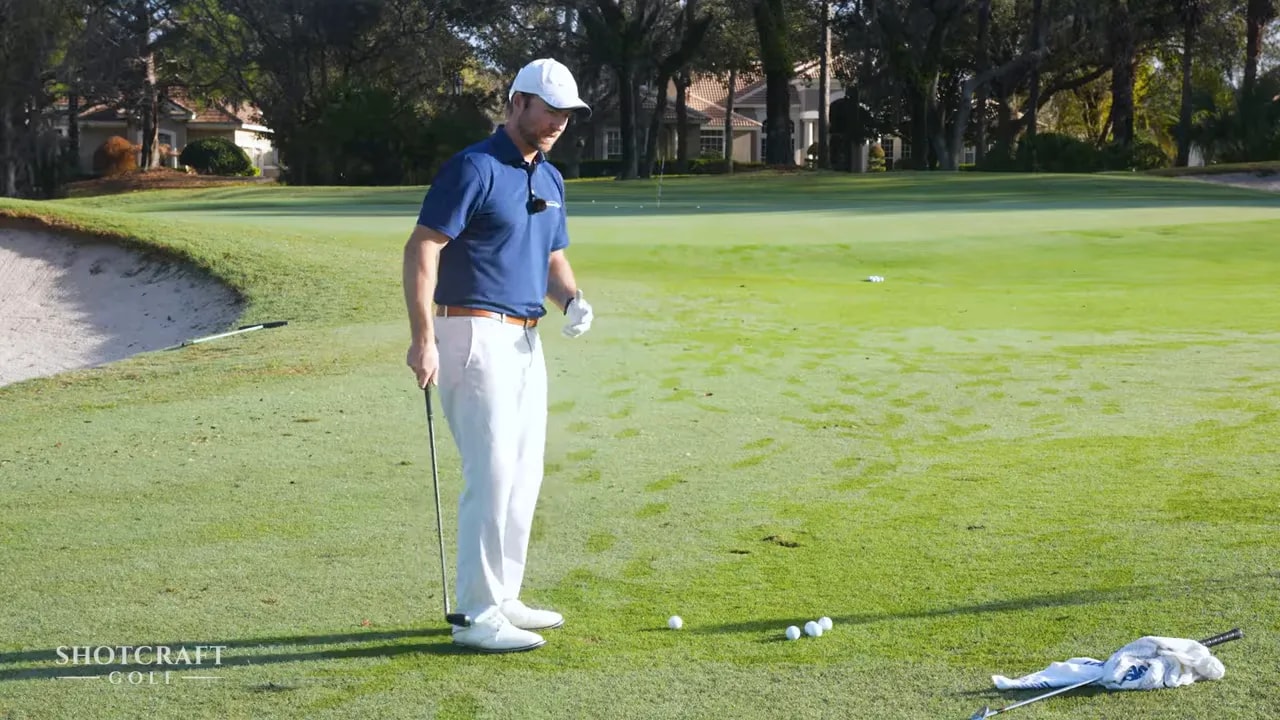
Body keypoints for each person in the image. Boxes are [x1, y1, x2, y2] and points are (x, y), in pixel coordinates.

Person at [402, 58, 595, 653]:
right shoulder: (475, 167)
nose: (558, 122)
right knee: (491, 474)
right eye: (549, 110)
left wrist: (572, 299)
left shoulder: (550, 178)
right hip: (471, 332)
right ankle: (478, 615)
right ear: (517, 103)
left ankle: (504, 596)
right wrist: (423, 337)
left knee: (524, 472)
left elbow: (551, 256)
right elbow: (423, 248)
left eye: (567, 114)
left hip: (526, 338)